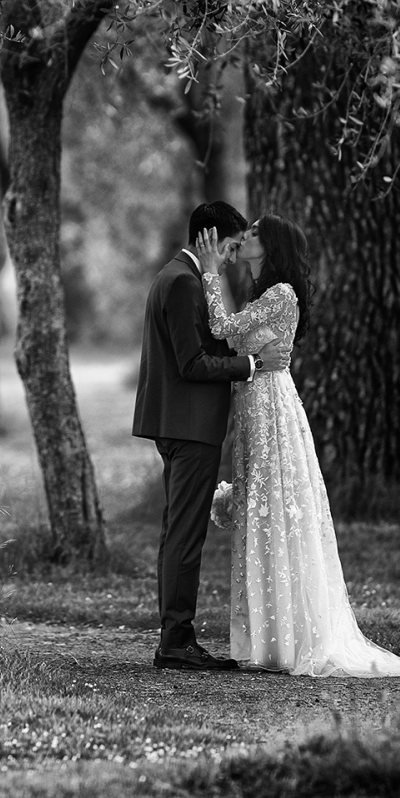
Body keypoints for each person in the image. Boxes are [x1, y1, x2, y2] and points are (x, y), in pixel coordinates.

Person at [197, 214, 400, 678]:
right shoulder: (262, 295)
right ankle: (267, 636)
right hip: (251, 404)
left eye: (253, 235)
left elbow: (223, 327)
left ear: (272, 248)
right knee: (260, 510)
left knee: (275, 509)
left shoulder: (281, 294)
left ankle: (289, 638)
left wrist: (209, 272)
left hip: (270, 406)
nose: (244, 238)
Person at [133, 201, 290, 671]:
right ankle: (176, 642)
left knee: (176, 532)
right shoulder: (182, 282)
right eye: (230, 246)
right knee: (185, 534)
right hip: (189, 425)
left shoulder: (178, 276)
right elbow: (192, 363)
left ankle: (174, 637)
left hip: (180, 423)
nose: (229, 257)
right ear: (210, 240)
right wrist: (251, 365)